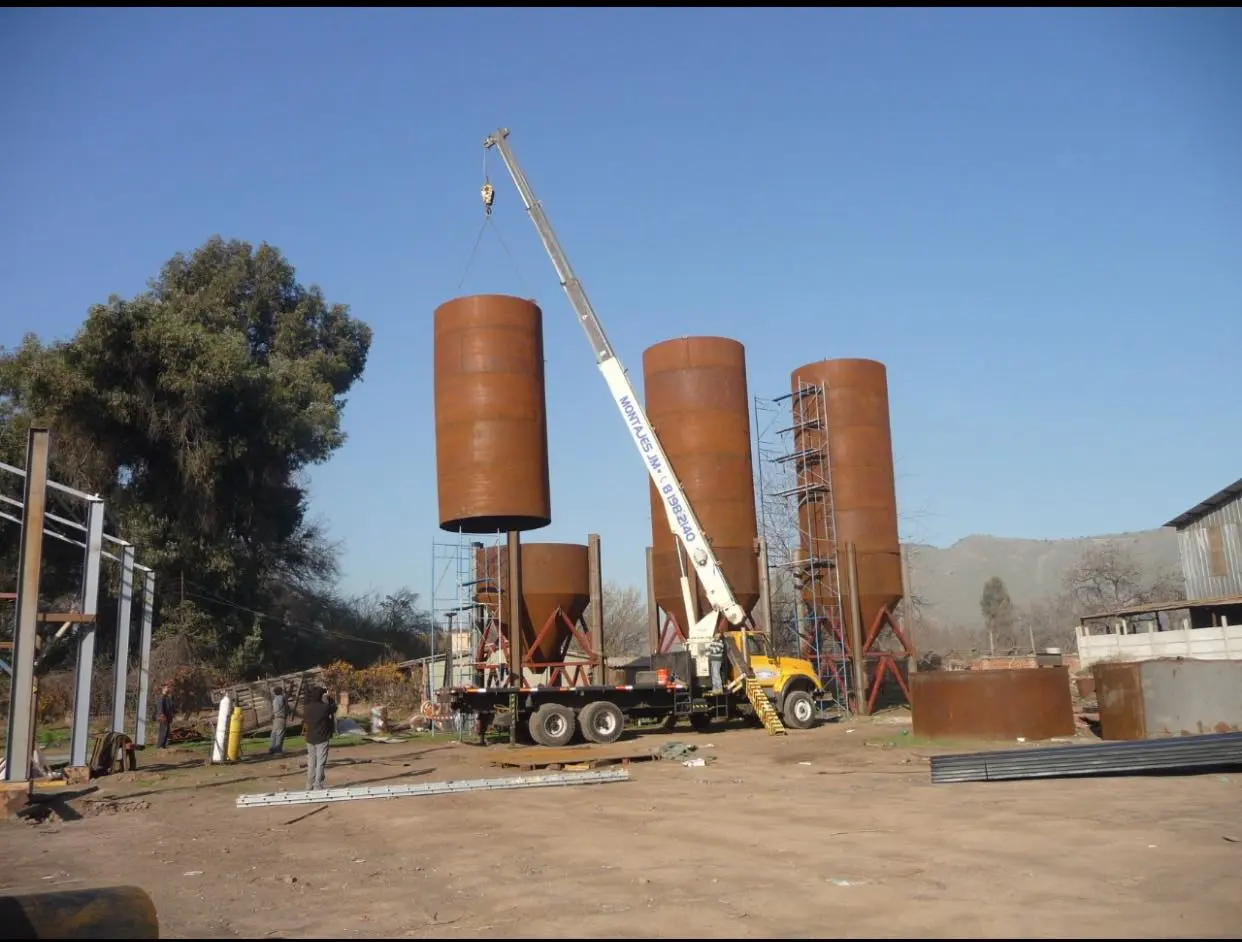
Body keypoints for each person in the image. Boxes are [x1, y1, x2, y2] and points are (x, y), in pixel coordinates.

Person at [302, 685, 337, 791]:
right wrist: (329, 697)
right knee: (320, 762)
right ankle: (318, 785)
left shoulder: (306, 707)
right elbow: (334, 708)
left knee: (311, 762)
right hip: (321, 737)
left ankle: (309, 784)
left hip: (310, 737)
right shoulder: (324, 707)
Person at [268, 685, 287, 756]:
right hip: (281, 718)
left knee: (274, 734)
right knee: (280, 734)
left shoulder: (274, 699)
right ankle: (278, 750)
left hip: (275, 718)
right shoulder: (281, 698)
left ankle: (271, 750)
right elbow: (286, 705)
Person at [156, 683, 174, 749]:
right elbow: (160, 708)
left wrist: (171, 716)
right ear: (163, 689)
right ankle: (159, 746)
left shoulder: (168, 697)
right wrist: (162, 716)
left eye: (169, 687)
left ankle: (165, 745)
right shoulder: (161, 697)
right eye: (167, 687)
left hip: (168, 717)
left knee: (167, 732)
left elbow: (170, 707)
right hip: (163, 718)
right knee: (162, 732)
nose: (168, 689)